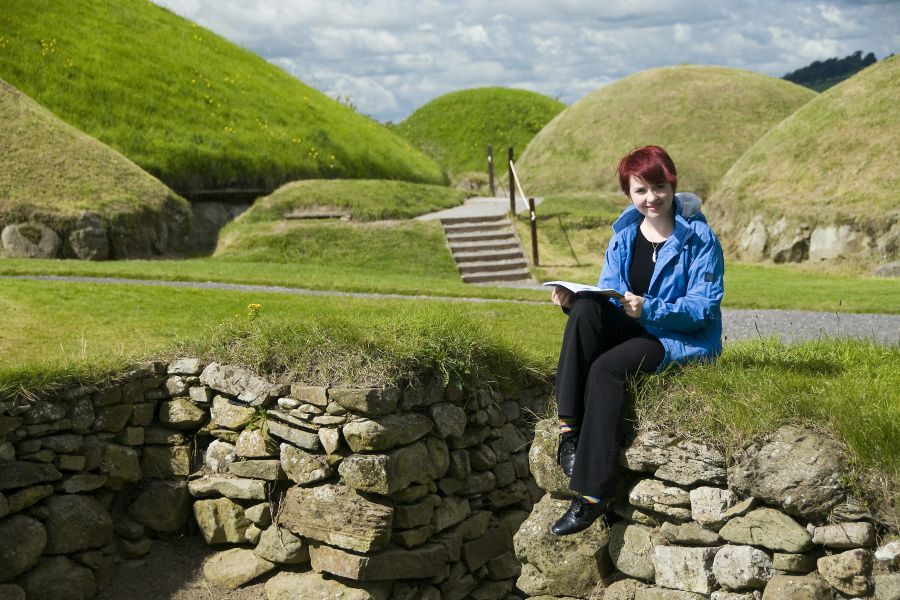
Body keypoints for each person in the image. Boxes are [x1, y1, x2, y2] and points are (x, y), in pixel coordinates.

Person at [549, 145, 724, 535]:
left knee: (606, 369)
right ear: (628, 192)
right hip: (635, 324)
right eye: (641, 190)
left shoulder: (700, 239)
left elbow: (703, 309)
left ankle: (593, 495)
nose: (651, 198)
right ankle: (568, 435)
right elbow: (608, 295)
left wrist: (649, 309)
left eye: (659, 187)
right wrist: (573, 299)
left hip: (677, 337)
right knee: (583, 311)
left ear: (672, 185)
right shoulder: (624, 236)